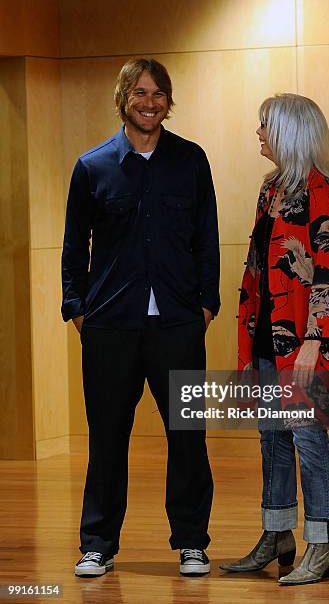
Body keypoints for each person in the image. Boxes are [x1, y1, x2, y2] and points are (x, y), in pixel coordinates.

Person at [61, 58, 220, 578]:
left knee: (187, 433)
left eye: (158, 94)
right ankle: (98, 543)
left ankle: (193, 542)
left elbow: (207, 240)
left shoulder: (192, 161)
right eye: (139, 93)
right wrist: (77, 310)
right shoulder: (92, 166)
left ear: (167, 102)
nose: (149, 102)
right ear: (123, 98)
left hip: (177, 322)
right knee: (107, 435)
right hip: (110, 325)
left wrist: (206, 304)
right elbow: (72, 248)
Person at [220, 93, 329, 586]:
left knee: (308, 441)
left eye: (264, 126)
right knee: (272, 439)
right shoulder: (270, 190)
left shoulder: (324, 191)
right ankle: (277, 536)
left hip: (305, 341)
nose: (258, 134)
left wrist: (316, 342)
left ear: (290, 132)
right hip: (265, 338)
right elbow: (258, 268)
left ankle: (322, 545)